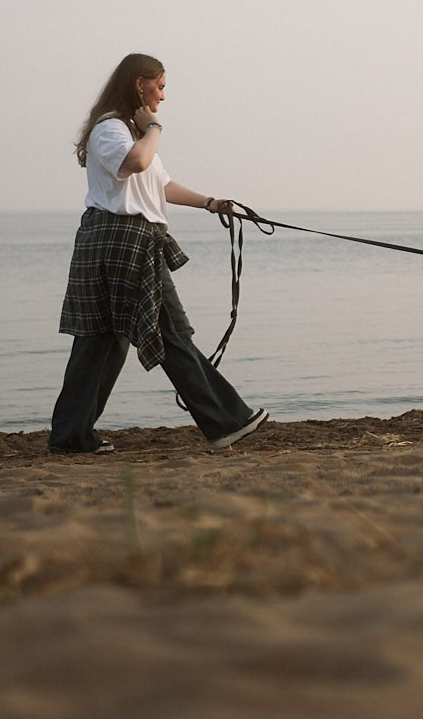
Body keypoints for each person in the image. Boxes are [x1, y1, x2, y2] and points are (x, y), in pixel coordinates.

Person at [49, 53, 269, 454]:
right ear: (140, 85)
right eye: (160, 86)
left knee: (101, 342)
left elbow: (160, 184)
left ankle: (71, 436)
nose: (163, 96)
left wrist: (211, 202)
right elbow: (137, 163)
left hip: (122, 242)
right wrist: (153, 128)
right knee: (169, 332)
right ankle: (227, 421)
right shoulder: (112, 130)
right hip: (123, 242)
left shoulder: (130, 132)